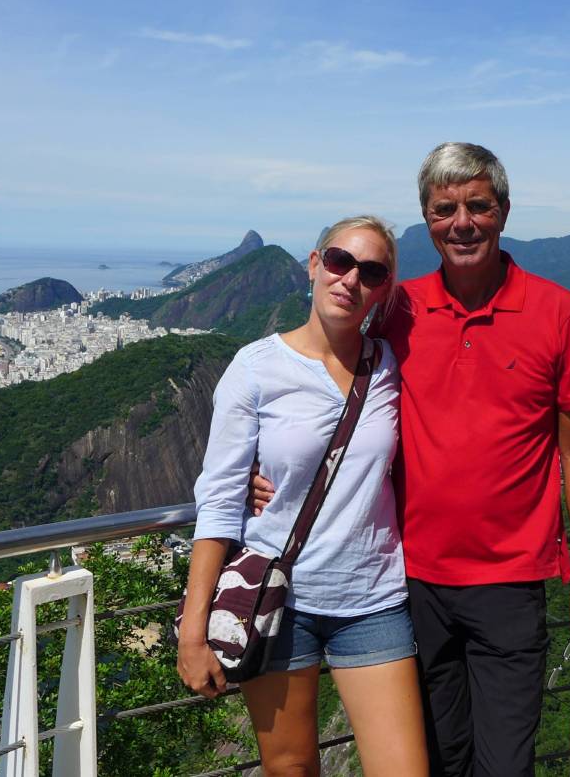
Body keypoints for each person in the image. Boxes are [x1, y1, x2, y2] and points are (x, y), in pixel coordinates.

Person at [254, 144, 570, 777]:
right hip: (411, 582)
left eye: (478, 206)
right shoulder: (398, 308)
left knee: (505, 764)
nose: (462, 223)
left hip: (510, 582)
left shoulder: (557, 311)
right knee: (440, 760)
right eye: (445, 210)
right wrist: (271, 476)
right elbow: (332, 383)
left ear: (503, 211)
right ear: (427, 219)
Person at [177, 216, 428, 777]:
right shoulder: (256, 368)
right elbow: (219, 503)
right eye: (339, 261)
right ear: (314, 265)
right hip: (277, 600)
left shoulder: (391, 366)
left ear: (383, 288)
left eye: (371, 272)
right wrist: (192, 634)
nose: (350, 279)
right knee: (289, 767)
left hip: (373, 598)